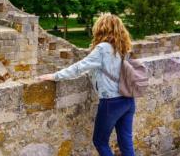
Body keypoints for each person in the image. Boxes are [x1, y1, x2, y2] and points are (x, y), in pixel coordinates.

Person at [37, 14, 135, 156]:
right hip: (128, 100)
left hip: (111, 101)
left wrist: (54, 76)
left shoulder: (102, 48)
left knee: (100, 141)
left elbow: (79, 67)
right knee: (126, 142)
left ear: (101, 28)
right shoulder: (123, 47)